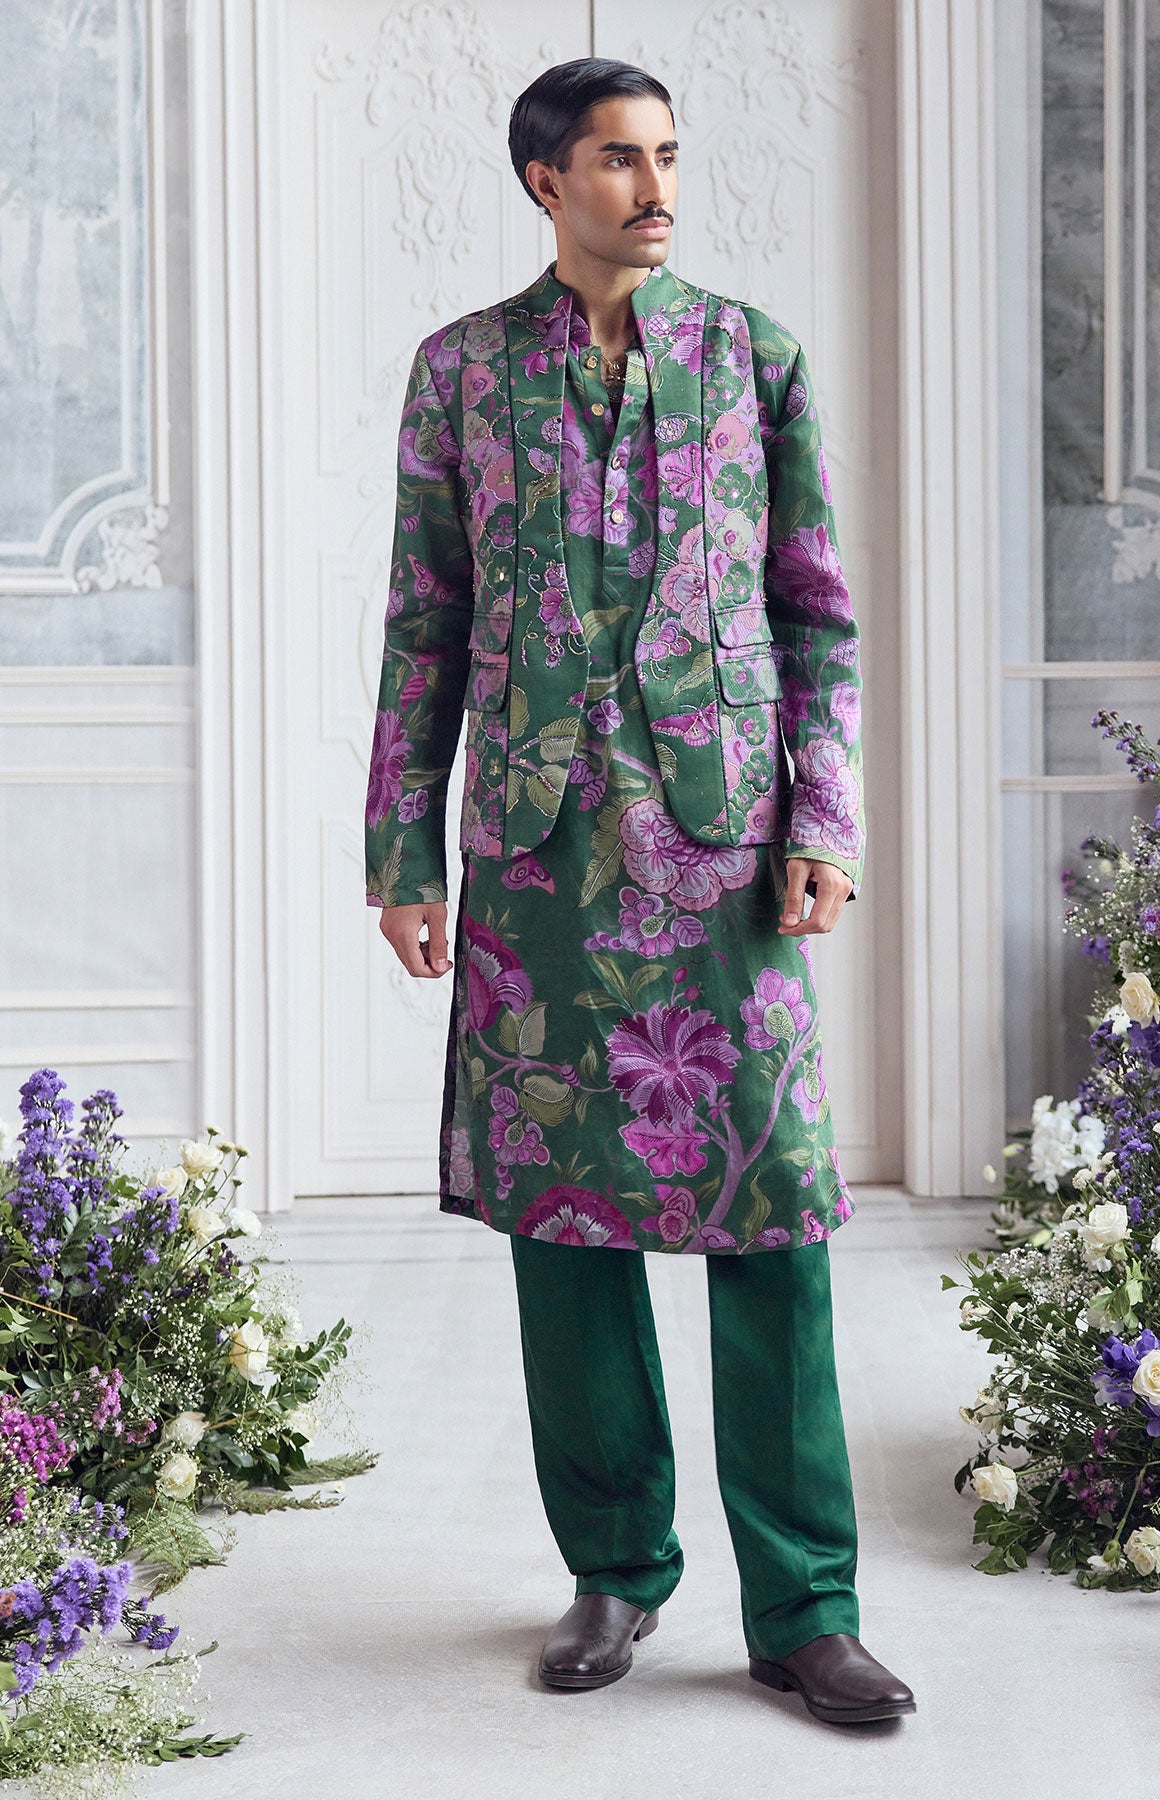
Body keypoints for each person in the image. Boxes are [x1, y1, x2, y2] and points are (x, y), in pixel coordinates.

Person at [365, 57, 913, 1725]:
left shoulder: (756, 357)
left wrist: (826, 816)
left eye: (668, 155)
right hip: (535, 855)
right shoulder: (463, 371)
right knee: (563, 1223)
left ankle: (807, 1608)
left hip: (725, 846)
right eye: (619, 158)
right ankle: (613, 1571)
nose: (656, 186)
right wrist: (401, 849)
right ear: (548, 181)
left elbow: (816, 613)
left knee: (777, 1224)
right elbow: (423, 622)